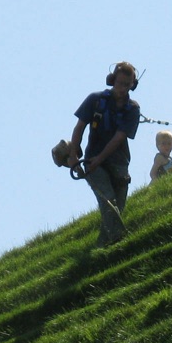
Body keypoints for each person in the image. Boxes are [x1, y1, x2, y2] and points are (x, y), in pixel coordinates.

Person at [67, 61, 141, 247]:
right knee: (107, 199)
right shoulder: (95, 99)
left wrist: (100, 159)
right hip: (93, 160)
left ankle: (103, 248)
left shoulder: (133, 109)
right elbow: (79, 128)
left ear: (133, 84)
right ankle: (120, 240)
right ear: (112, 80)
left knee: (117, 209)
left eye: (127, 84)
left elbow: (118, 138)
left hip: (119, 162)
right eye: (120, 83)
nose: (123, 88)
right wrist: (73, 156)